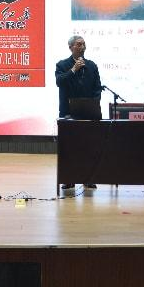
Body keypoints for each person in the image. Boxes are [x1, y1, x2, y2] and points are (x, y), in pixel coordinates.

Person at [55, 35, 102, 191]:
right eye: (78, 44)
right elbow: (60, 82)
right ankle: (69, 179)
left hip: (89, 112)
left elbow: (97, 88)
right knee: (69, 148)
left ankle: (88, 179)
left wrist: (94, 104)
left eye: (83, 44)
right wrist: (73, 70)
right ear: (71, 47)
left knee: (89, 147)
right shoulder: (62, 65)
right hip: (68, 112)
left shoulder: (92, 65)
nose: (82, 47)